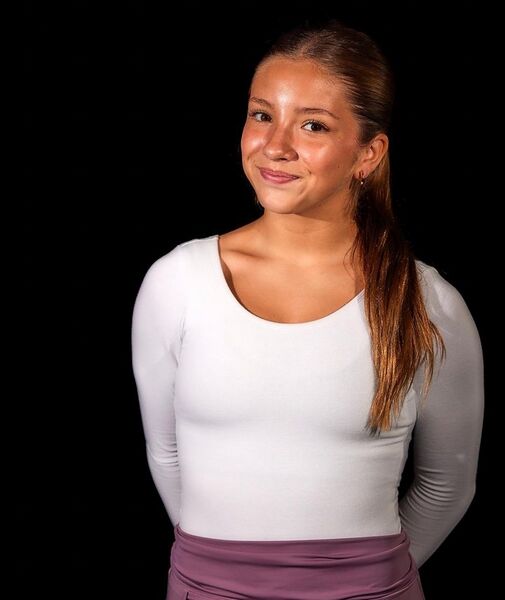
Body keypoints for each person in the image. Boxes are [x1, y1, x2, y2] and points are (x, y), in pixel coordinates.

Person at [131, 19, 484, 600]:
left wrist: (364, 581)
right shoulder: (177, 282)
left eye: (312, 125)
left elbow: (447, 486)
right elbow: (166, 454)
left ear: (368, 153)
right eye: (261, 115)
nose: (275, 146)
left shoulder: (426, 302)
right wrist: (219, 573)